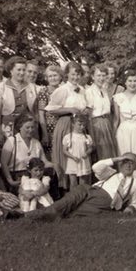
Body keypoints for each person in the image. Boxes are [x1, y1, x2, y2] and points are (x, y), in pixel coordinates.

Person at [24, 153, 136, 221]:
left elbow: (135, 203)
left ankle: (29, 216)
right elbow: (96, 167)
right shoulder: (111, 172)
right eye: (126, 161)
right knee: (64, 204)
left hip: (103, 201)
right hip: (88, 189)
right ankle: (29, 216)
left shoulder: (135, 183)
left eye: (132, 163)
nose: (129, 165)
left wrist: (130, 208)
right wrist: (117, 159)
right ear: (121, 163)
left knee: (70, 214)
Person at [45, 62, 88, 190]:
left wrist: (84, 111)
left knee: (79, 157)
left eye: (78, 74)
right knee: (67, 157)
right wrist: (70, 109)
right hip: (66, 125)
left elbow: (83, 108)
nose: (76, 77)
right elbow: (51, 109)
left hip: (79, 126)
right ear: (67, 75)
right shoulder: (62, 90)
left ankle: (79, 192)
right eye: (73, 74)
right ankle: (66, 190)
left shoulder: (82, 90)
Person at [0, 114, 55, 194]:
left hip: (34, 176)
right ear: (20, 127)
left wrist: (56, 165)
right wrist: (10, 181)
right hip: (17, 178)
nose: (31, 130)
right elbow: (4, 163)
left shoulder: (36, 143)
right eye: (27, 127)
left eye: (32, 127)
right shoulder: (12, 141)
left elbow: (44, 162)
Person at [113, 69, 136, 178]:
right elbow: (116, 119)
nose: (132, 84)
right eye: (130, 81)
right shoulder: (118, 97)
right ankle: (123, 184)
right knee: (123, 156)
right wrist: (113, 136)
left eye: (135, 81)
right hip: (123, 131)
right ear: (125, 82)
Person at [0, 56, 37, 145]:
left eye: (24, 70)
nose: (22, 73)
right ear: (11, 71)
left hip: (27, 128)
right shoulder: (1, 87)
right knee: (9, 152)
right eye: (19, 69)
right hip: (8, 127)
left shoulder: (32, 87)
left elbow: (35, 111)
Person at [85, 64, 117, 161]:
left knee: (110, 154)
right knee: (101, 155)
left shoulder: (104, 90)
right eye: (98, 75)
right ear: (92, 77)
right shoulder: (89, 91)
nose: (101, 78)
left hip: (107, 123)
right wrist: (91, 134)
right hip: (96, 125)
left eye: (103, 75)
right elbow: (88, 115)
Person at [37, 65, 63, 155]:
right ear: (46, 78)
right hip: (49, 129)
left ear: (60, 76)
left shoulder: (64, 90)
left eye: (55, 75)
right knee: (52, 154)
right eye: (50, 76)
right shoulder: (44, 91)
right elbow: (41, 114)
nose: (53, 78)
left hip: (64, 126)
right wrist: (45, 133)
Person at [62, 114, 93, 187]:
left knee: (83, 183)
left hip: (83, 161)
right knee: (73, 182)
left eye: (83, 125)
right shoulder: (68, 137)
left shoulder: (86, 137)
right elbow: (64, 150)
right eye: (79, 125)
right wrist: (72, 157)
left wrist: (87, 153)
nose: (82, 127)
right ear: (73, 124)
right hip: (73, 161)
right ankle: (74, 197)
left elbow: (90, 148)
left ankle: (82, 196)